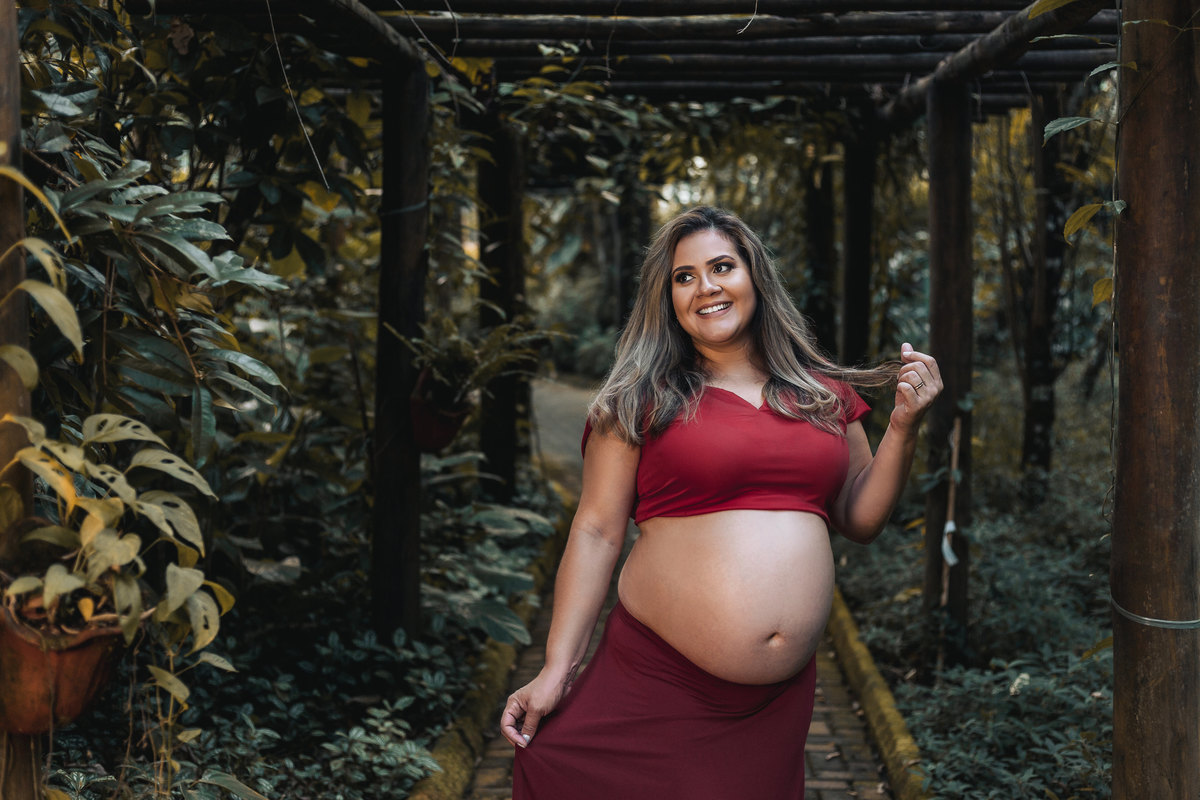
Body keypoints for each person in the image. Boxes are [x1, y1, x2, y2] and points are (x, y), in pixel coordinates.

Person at [501, 206, 942, 798]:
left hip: (773, 704)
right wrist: (557, 668)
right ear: (667, 298)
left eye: (721, 267)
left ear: (754, 276)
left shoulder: (823, 393)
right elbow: (597, 532)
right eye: (684, 277)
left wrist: (904, 427)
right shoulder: (639, 400)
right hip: (659, 678)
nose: (705, 287)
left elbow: (859, 518)